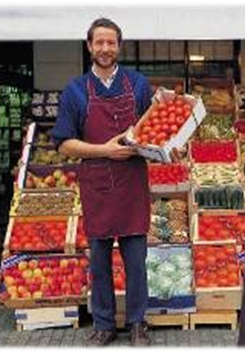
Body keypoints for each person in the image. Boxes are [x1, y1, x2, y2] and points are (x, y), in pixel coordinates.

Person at [51, 18, 153, 351]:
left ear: (119, 46)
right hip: (96, 185)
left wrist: (167, 134)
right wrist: (104, 150)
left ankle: (138, 323)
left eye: (111, 43)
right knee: (99, 261)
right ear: (89, 46)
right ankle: (104, 325)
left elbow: (154, 131)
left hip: (132, 184)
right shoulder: (75, 90)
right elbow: (64, 143)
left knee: (136, 261)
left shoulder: (138, 85)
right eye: (99, 43)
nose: (105, 49)